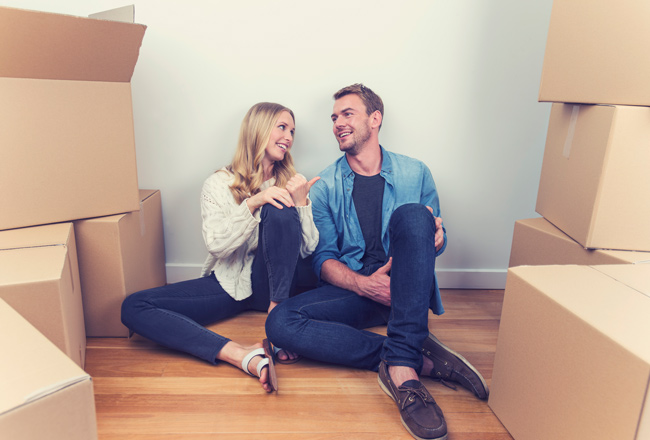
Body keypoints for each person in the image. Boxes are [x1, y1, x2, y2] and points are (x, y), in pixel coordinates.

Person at [265, 84, 488, 439]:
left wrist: (438, 238)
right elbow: (323, 259)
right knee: (279, 322)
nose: (338, 122)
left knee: (416, 215)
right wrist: (364, 284)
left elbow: (432, 243)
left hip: (406, 289)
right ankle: (416, 355)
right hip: (358, 291)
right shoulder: (324, 186)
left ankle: (403, 374)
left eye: (347, 114)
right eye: (334, 117)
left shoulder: (416, 173)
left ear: (375, 118)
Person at [121, 102, 319, 393]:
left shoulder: (290, 182)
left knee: (279, 208)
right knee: (134, 306)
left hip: (275, 289)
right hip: (231, 284)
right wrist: (253, 202)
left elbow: (308, 250)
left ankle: (277, 320)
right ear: (258, 129)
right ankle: (240, 354)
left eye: (292, 131)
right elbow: (217, 246)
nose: (289, 137)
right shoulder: (218, 184)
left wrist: (300, 203)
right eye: (281, 127)